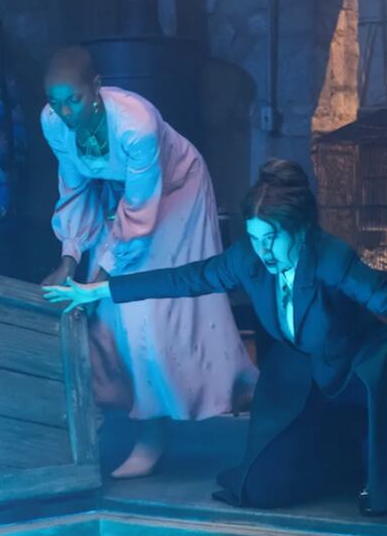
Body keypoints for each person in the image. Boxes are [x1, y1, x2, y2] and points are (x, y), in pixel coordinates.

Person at [44, 159, 387, 517]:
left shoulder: (331, 258)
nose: (264, 252)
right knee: (260, 490)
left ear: (301, 230)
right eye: (256, 239)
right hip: (299, 375)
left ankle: (380, 468)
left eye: (272, 239)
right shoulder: (248, 258)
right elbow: (187, 278)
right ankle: (341, 462)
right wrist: (101, 289)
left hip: (355, 365)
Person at [39, 47, 256, 479]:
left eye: (74, 100)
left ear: (96, 88)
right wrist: (69, 257)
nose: (64, 112)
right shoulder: (53, 122)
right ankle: (112, 413)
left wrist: (98, 280)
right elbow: (75, 190)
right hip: (120, 198)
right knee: (103, 314)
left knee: (147, 309)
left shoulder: (136, 125)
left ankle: (155, 432)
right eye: (55, 101)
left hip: (176, 193)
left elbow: (139, 216)